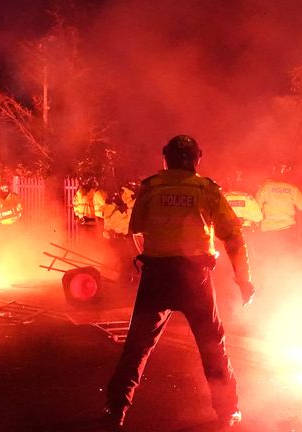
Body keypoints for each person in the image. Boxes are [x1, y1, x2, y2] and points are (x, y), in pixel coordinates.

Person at [102, 135, 255, 430]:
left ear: (166, 158)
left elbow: (135, 232)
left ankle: (115, 409)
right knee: (213, 345)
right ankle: (227, 412)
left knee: (137, 346)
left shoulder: (150, 188)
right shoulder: (206, 190)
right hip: (195, 278)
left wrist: (149, 260)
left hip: (156, 276)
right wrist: (244, 281)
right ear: (196, 159)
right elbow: (233, 237)